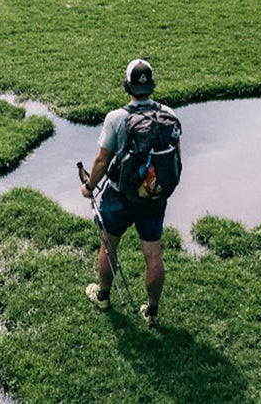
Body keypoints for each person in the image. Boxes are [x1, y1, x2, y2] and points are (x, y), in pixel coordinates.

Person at [82, 58, 177, 327]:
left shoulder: (116, 118)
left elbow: (102, 160)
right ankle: (153, 311)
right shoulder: (169, 114)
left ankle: (102, 295)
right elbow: (176, 157)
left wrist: (89, 187)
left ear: (127, 85)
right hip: (153, 196)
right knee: (153, 253)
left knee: (109, 245)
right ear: (152, 85)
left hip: (119, 195)